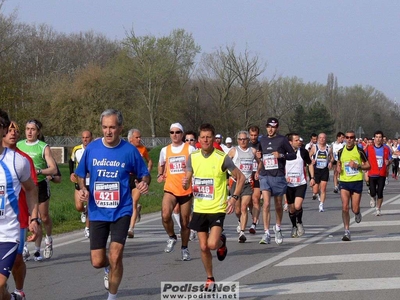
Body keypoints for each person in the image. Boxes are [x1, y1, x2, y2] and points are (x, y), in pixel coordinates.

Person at [76, 109, 150, 300]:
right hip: (97, 210)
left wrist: (144, 183)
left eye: (112, 127)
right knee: (97, 261)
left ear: (120, 128)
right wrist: (83, 188)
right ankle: (108, 267)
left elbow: (145, 173)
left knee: (116, 255)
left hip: (122, 210)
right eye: (105, 127)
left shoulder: (129, 150)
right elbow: (80, 173)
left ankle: (112, 296)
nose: (108, 131)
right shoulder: (92, 148)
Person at [182, 123, 245, 288]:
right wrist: (185, 182)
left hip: (217, 208)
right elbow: (187, 178)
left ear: (213, 138)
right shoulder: (193, 157)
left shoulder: (221, 157)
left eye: (208, 137)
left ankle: (221, 242)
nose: (205, 140)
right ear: (198, 139)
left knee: (211, 244)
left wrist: (233, 198)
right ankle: (210, 277)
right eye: (202, 137)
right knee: (203, 247)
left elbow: (241, 178)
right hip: (200, 208)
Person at [0, 110, 39, 300]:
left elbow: (31, 189)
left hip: (8, 230)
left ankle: (18, 291)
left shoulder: (18, 161)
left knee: (1, 282)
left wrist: (34, 218)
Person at [17, 119, 58, 261]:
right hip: (23, 186)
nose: (29, 132)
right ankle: (28, 249)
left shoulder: (43, 147)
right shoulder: (19, 145)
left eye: (33, 129)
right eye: (27, 129)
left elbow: (53, 168)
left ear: (38, 132)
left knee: (43, 217)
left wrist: (39, 170)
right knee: (26, 218)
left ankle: (48, 240)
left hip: (39, 184)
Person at [157, 123, 195, 261]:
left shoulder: (190, 148)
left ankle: (184, 248)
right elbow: (161, 163)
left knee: (185, 222)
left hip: (185, 190)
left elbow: (196, 165)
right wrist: (160, 174)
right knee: (165, 214)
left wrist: (192, 180)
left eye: (178, 132)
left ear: (182, 134)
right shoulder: (165, 150)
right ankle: (172, 237)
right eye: (172, 132)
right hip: (171, 188)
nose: (175, 135)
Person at [258, 117, 296, 245]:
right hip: (265, 175)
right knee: (266, 204)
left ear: (277, 128)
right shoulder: (262, 139)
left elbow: (293, 155)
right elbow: (259, 153)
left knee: (278, 205)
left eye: (273, 127)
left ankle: (278, 228)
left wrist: (281, 155)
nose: (270, 129)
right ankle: (266, 233)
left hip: (278, 176)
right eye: (268, 126)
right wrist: (258, 157)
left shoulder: (282, 140)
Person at [337, 130, 370, 241]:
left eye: (351, 137)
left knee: (354, 208)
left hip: (356, 182)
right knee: (345, 207)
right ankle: (347, 231)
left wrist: (357, 165)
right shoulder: (341, 151)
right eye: (347, 137)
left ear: (354, 139)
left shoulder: (359, 151)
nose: (349, 139)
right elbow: (339, 163)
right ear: (345, 138)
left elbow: (368, 166)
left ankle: (357, 212)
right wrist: (337, 167)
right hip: (344, 182)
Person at [227, 131, 259, 243]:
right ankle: (240, 221)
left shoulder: (252, 151)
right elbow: (224, 163)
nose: (242, 141)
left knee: (244, 207)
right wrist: (229, 175)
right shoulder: (234, 151)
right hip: (235, 183)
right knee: (237, 209)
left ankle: (242, 232)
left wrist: (257, 172)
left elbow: (260, 162)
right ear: (237, 140)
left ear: (248, 140)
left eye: (245, 139)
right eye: (240, 139)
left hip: (247, 183)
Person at [285, 133, 314, 238]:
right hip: (288, 184)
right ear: (290, 142)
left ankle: (300, 222)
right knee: (291, 209)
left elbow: (310, 164)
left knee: (297, 206)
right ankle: (294, 226)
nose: (299, 142)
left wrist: (312, 178)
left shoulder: (303, 152)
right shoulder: (284, 153)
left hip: (300, 183)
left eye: (299, 140)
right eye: (296, 140)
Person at [127, 129, 153, 238]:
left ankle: (131, 228)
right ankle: (137, 209)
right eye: (137, 137)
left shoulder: (142, 149)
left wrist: (147, 172)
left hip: (138, 178)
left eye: (140, 137)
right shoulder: (125, 148)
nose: (139, 139)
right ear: (130, 139)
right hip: (126, 177)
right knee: (126, 203)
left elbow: (150, 161)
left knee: (133, 201)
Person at [69, 130, 93, 238]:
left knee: (89, 206)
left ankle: (87, 228)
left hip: (91, 181)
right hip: (80, 180)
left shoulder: (94, 149)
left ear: (91, 138)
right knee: (79, 206)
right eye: (83, 137)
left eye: (87, 137)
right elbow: (71, 161)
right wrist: (71, 173)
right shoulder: (77, 149)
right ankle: (83, 211)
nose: (85, 139)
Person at [365, 130, 391, 216]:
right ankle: (372, 197)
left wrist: (389, 162)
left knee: (380, 192)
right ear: (374, 138)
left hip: (382, 173)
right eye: (376, 137)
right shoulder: (369, 148)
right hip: (372, 173)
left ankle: (378, 208)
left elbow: (390, 158)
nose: (378, 139)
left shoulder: (386, 148)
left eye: (380, 137)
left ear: (382, 139)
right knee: (373, 191)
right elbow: (363, 157)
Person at [308, 133, 333, 212]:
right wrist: (311, 160)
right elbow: (308, 156)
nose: (322, 139)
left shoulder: (329, 148)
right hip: (316, 170)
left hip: (324, 170)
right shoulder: (314, 147)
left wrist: (330, 162)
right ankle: (317, 194)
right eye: (320, 138)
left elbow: (332, 157)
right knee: (315, 190)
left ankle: (321, 205)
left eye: (323, 138)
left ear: (326, 139)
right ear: (318, 139)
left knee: (323, 189)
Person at [248, 125, 261, 234]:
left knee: (256, 199)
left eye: (255, 135)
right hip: (247, 175)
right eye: (251, 135)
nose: (253, 137)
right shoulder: (245, 145)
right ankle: (253, 214)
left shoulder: (261, 145)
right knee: (249, 202)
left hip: (257, 175)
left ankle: (254, 224)